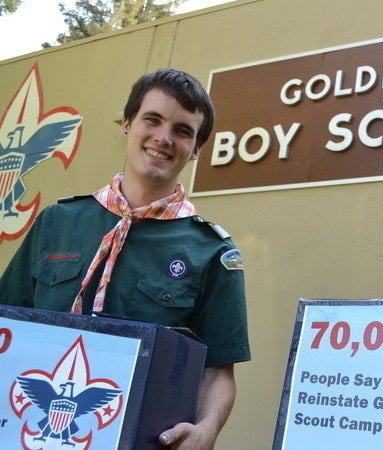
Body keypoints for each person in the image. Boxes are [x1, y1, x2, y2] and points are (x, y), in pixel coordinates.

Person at [0, 68, 250, 450]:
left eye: (183, 131)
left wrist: (207, 429)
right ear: (128, 123)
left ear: (197, 148)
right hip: (27, 433)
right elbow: (6, 325)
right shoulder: (57, 221)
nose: (163, 138)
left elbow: (217, 371)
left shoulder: (213, 251)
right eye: (153, 120)